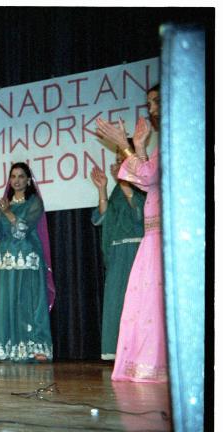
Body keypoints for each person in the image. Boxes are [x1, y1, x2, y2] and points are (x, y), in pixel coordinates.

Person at [96, 84, 168, 382]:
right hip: (150, 239)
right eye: (148, 102)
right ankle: (146, 363)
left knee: (153, 304)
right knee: (145, 305)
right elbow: (149, 178)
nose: (150, 108)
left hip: (158, 237)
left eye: (155, 102)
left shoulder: (178, 135)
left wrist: (124, 146)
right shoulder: (162, 143)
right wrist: (138, 146)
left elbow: (147, 179)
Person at [0, 162, 55, 362]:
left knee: (28, 304)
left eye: (21, 176)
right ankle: (8, 349)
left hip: (27, 261)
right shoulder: (4, 203)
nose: (17, 180)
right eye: (13, 176)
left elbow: (23, 230)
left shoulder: (34, 203)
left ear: (28, 180)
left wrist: (9, 214)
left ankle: (35, 348)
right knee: (7, 305)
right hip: (5, 263)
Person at [90, 139, 146, 360]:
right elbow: (104, 217)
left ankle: (140, 352)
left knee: (135, 303)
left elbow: (139, 214)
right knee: (117, 302)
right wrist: (103, 188)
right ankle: (120, 352)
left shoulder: (143, 184)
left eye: (122, 159)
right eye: (116, 160)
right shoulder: (116, 189)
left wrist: (123, 181)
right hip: (117, 253)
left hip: (134, 251)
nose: (118, 164)